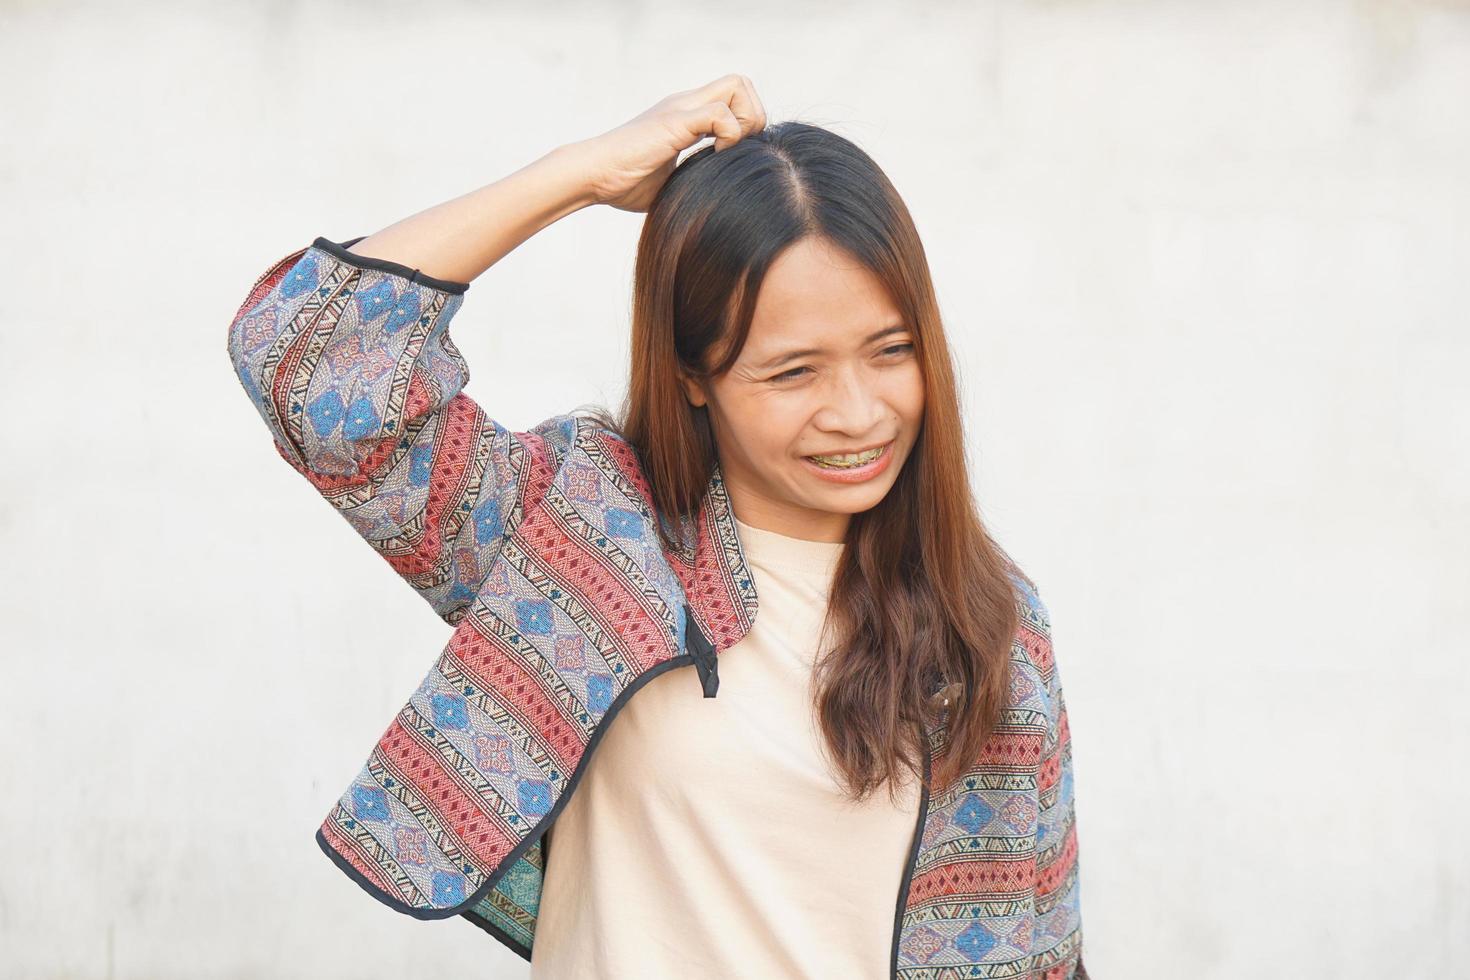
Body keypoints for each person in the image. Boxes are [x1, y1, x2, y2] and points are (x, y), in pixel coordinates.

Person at [227, 74, 1087, 979]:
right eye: (794, 373)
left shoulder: (991, 623)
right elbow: (307, 361)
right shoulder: (581, 536)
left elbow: (1045, 956)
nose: (857, 412)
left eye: (892, 351)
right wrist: (583, 173)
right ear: (692, 373)